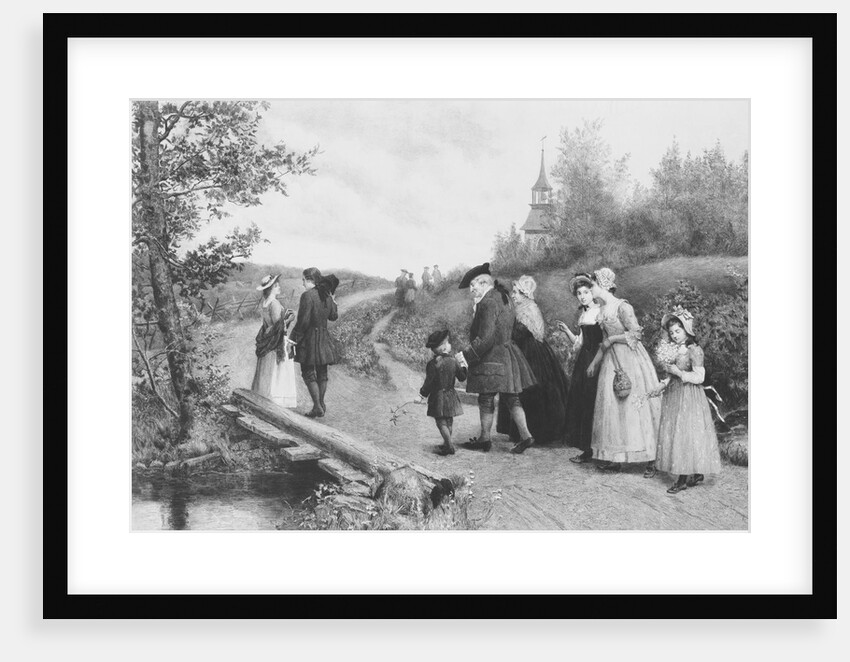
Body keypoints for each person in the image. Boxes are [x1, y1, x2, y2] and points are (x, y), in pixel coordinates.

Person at [454, 263, 538, 454]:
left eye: (474, 285)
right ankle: (526, 436)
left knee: (486, 398)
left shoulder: (488, 303)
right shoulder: (503, 297)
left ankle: (485, 439)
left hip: (492, 358)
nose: (471, 289)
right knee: (512, 397)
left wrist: (466, 355)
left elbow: (485, 338)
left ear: (484, 283)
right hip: (507, 356)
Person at [587, 267, 661, 475]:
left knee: (634, 408)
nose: (590, 290)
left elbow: (636, 334)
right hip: (611, 361)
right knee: (613, 408)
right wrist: (594, 362)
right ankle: (616, 457)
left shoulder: (622, 306)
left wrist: (613, 339)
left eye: (592, 286)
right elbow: (604, 341)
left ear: (603, 285)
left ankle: (650, 459)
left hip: (630, 358)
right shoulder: (602, 310)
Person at [655, 308, 722, 494]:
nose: (674, 335)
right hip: (675, 395)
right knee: (676, 432)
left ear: (686, 330)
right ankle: (696, 473)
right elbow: (671, 375)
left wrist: (679, 373)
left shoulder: (694, 349)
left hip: (690, 397)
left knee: (686, 434)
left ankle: (683, 478)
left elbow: (700, 377)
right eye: (671, 332)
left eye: (678, 331)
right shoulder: (674, 349)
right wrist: (661, 385)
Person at [496, 274, 569, 445]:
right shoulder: (519, 309)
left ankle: (537, 432)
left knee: (531, 389)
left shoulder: (530, 309)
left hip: (531, 354)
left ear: (525, 294)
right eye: (513, 292)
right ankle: (519, 432)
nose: (513, 295)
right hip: (521, 351)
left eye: (516, 293)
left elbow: (525, 334)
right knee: (518, 389)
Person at [556, 273, 602, 463]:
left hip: (598, 359)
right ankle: (587, 449)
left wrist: (595, 361)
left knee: (594, 402)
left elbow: (602, 342)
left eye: (586, 292)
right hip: (584, 360)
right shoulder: (583, 314)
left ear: (593, 292)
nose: (582, 296)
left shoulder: (600, 311)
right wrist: (567, 331)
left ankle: (598, 448)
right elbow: (579, 343)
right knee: (582, 402)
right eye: (579, 293)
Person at [289, 267, 340, 418]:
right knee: (322, 373)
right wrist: (333, 301)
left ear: (309, 279)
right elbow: (333, 316)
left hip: (310, 340)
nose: (302, 283)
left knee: (308, 373)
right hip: (323, 338)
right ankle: (320, 404)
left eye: (303, 280)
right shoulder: (326, 295)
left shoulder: (307, 296)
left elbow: (303, 322)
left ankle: (317, 406)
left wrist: (293, 339)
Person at [415, 329, 468, 456]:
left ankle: (449, 446)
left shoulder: (432, 364)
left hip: (438, 396)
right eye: (448, 342)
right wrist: (464, 365)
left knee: (441, 422)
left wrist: (421, 395)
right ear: (444, 347)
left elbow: (428, 383)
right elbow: (462, 377)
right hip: (451, 395)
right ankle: (447, 443)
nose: (450, 344)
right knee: (449, 421)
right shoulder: (453, 361)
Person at [251, 274, 298, 408]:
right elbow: (278, 327)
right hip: (274, 341)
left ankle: (262, 396)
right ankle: (274, 401)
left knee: (265, 370)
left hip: (267, 338)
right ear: (271, 288)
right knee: (276, 371)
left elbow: (268, 324)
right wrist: (289, 319)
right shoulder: (275, 303)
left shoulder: (265, 303)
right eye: (276, 285)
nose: (279, 287)